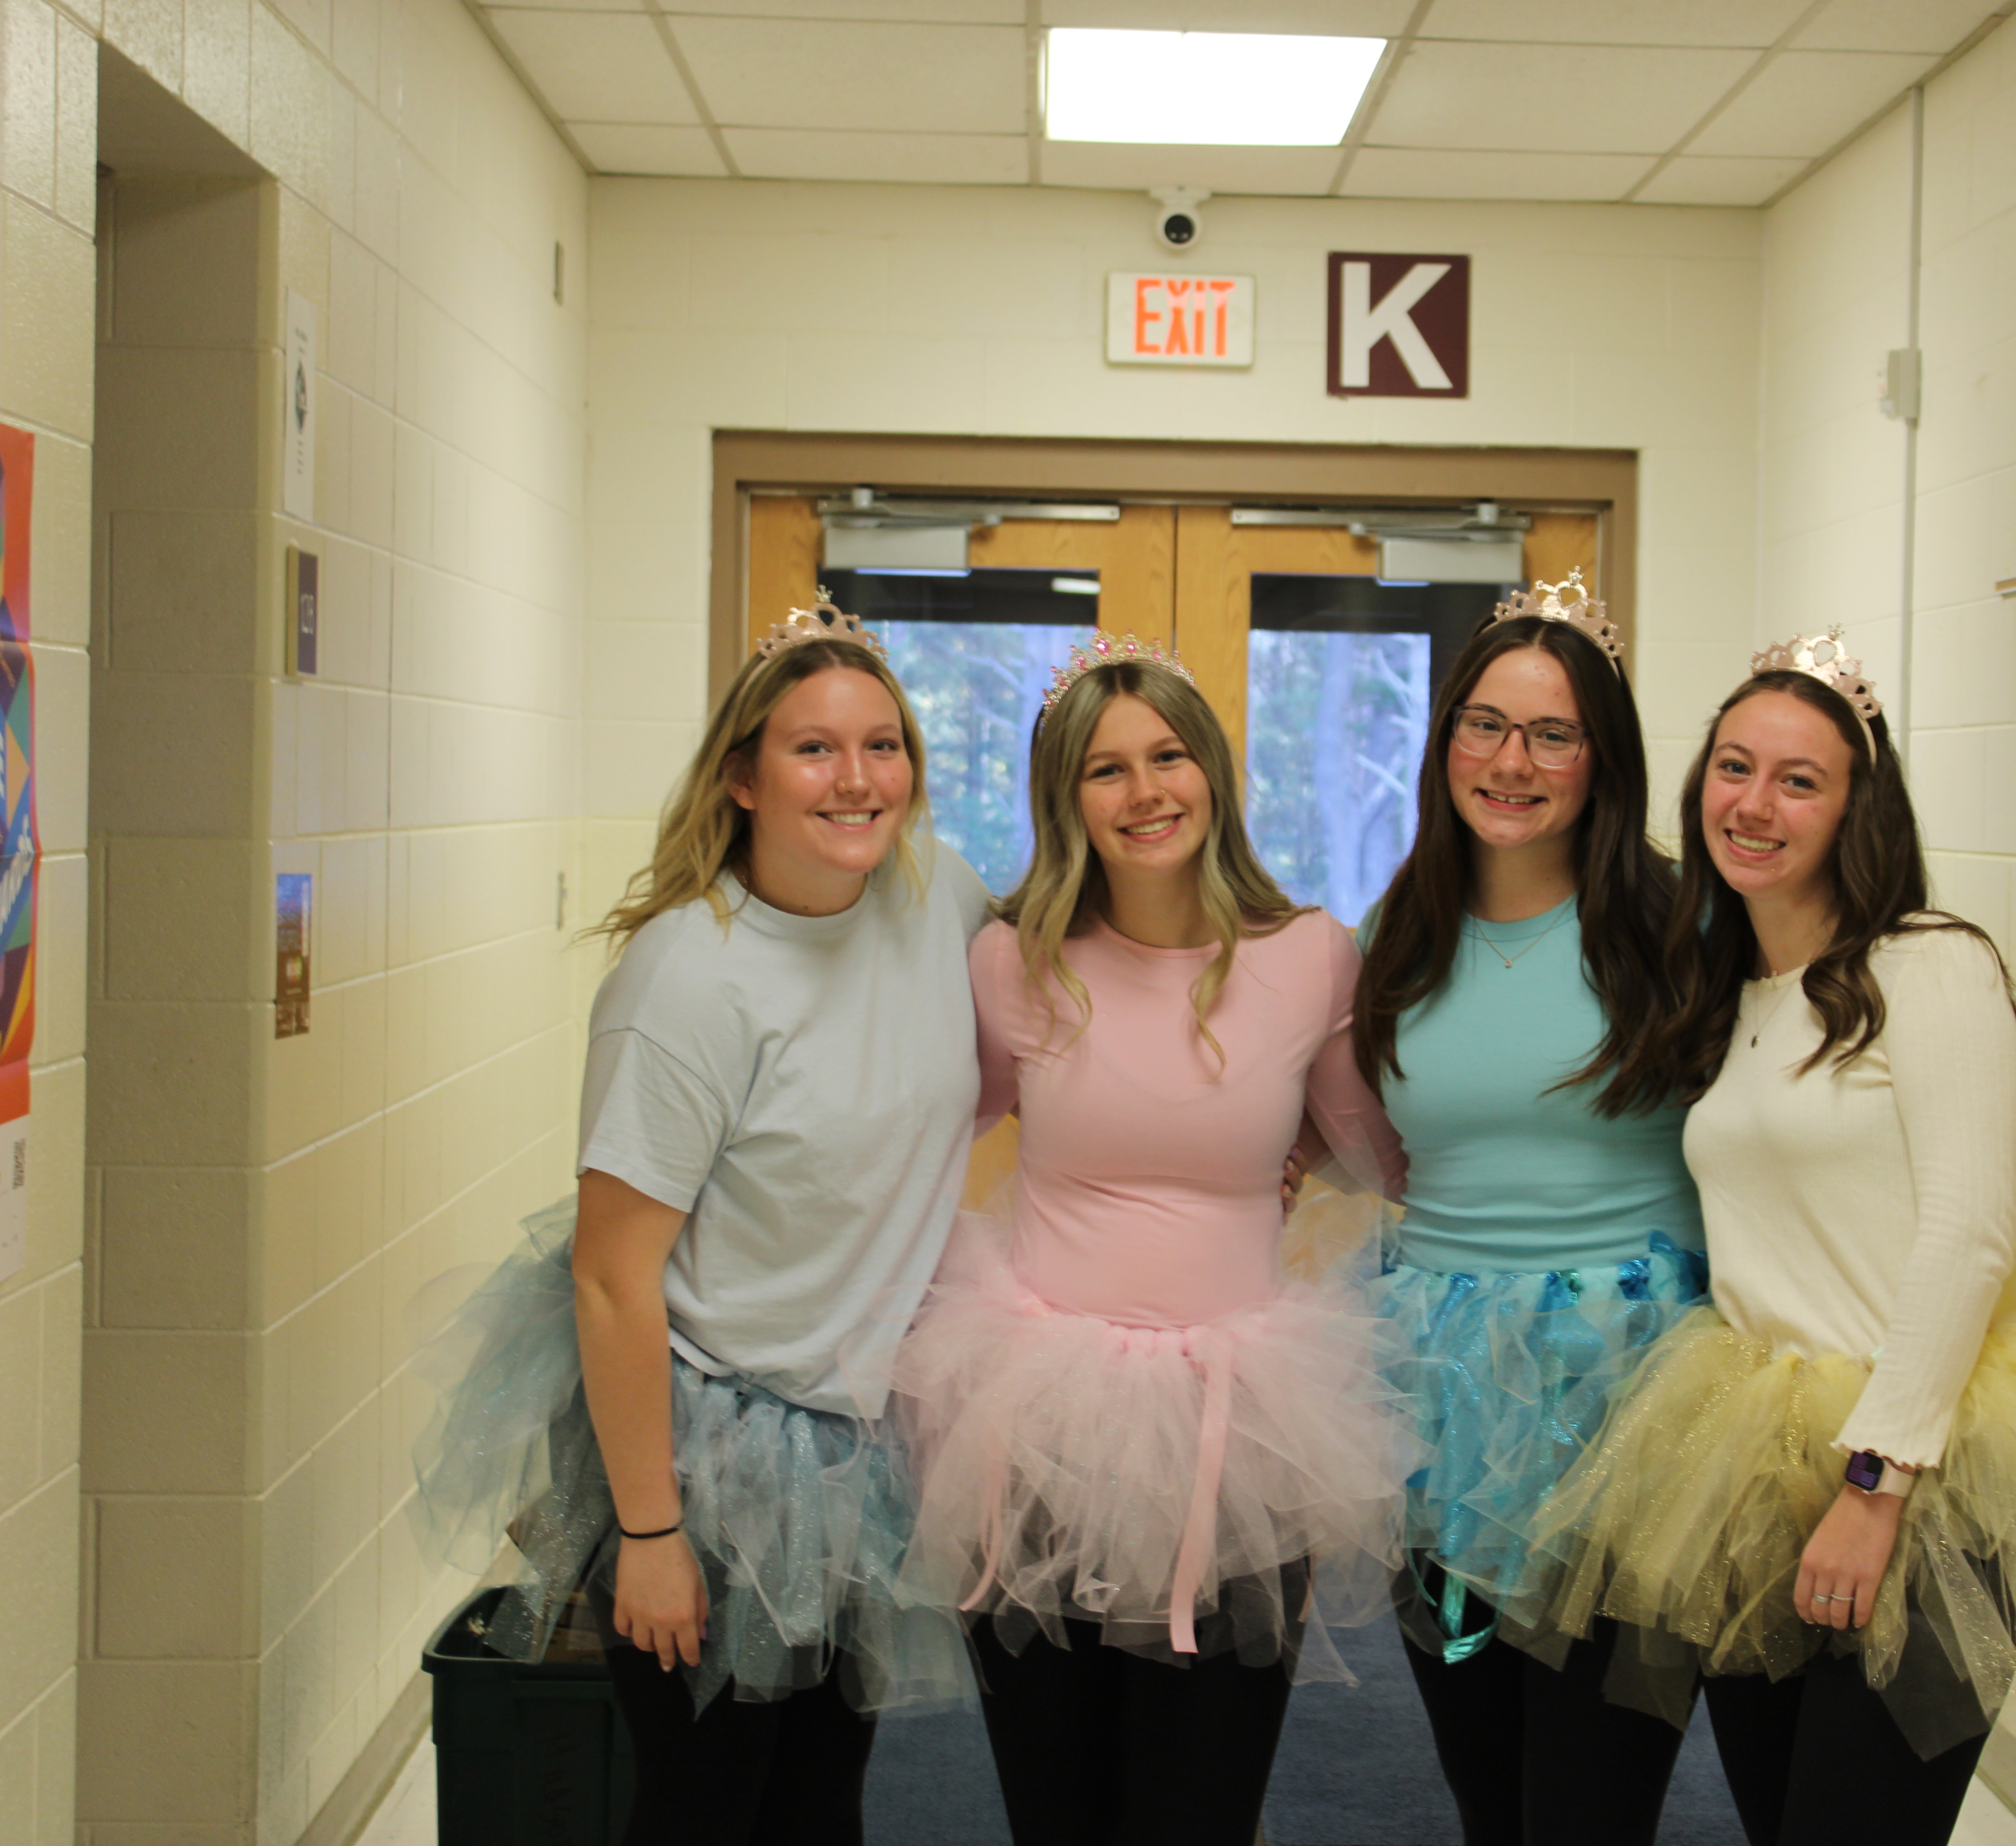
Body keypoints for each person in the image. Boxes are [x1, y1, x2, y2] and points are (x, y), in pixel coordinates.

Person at [1517, 633, 2016, 1846]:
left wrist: (1874, 1488)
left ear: (1858, 809)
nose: (1755, 802)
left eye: (1801, 779)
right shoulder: (1722, 989)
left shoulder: (1930, 964)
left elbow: (1968, 1239)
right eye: (1735, 767)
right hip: (1752, 1455)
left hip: (1917, 1470)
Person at [412, 600, 984, 1846]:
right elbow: (614, 1279)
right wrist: (651, 1532)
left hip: (855, 1441)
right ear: (742, 777)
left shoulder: (937, 900)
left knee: (822, 1802)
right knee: (707, 1807)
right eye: (815, 749)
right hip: (706, 1450)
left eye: (884, 746)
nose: (857, 780)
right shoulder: (686, 978)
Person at [890, 633, 1416, 1846]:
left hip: (1240, 1424)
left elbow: (1377, 1152)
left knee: (1202, 1808)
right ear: (1065, 798)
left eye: (1168, 756)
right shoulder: (1010, 963)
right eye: (1105, 769)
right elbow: (917, 1137)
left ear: (1214, 773)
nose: (1144, 793)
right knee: (1056, 1806)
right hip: (1039, 1418)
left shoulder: (1309, 957)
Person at [1347, 574, 1710, 1846]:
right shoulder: (1401, 930)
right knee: (1486, 1785)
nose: (1513, 762)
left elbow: (1850, 980)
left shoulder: (1686, 923)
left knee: (1590, 1803)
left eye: (1554, 734)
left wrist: (1999, 1027)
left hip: (1634, 1412)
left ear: (1603, 757)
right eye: (1486, 725)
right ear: (1447, 736)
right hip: (1438, 1409)